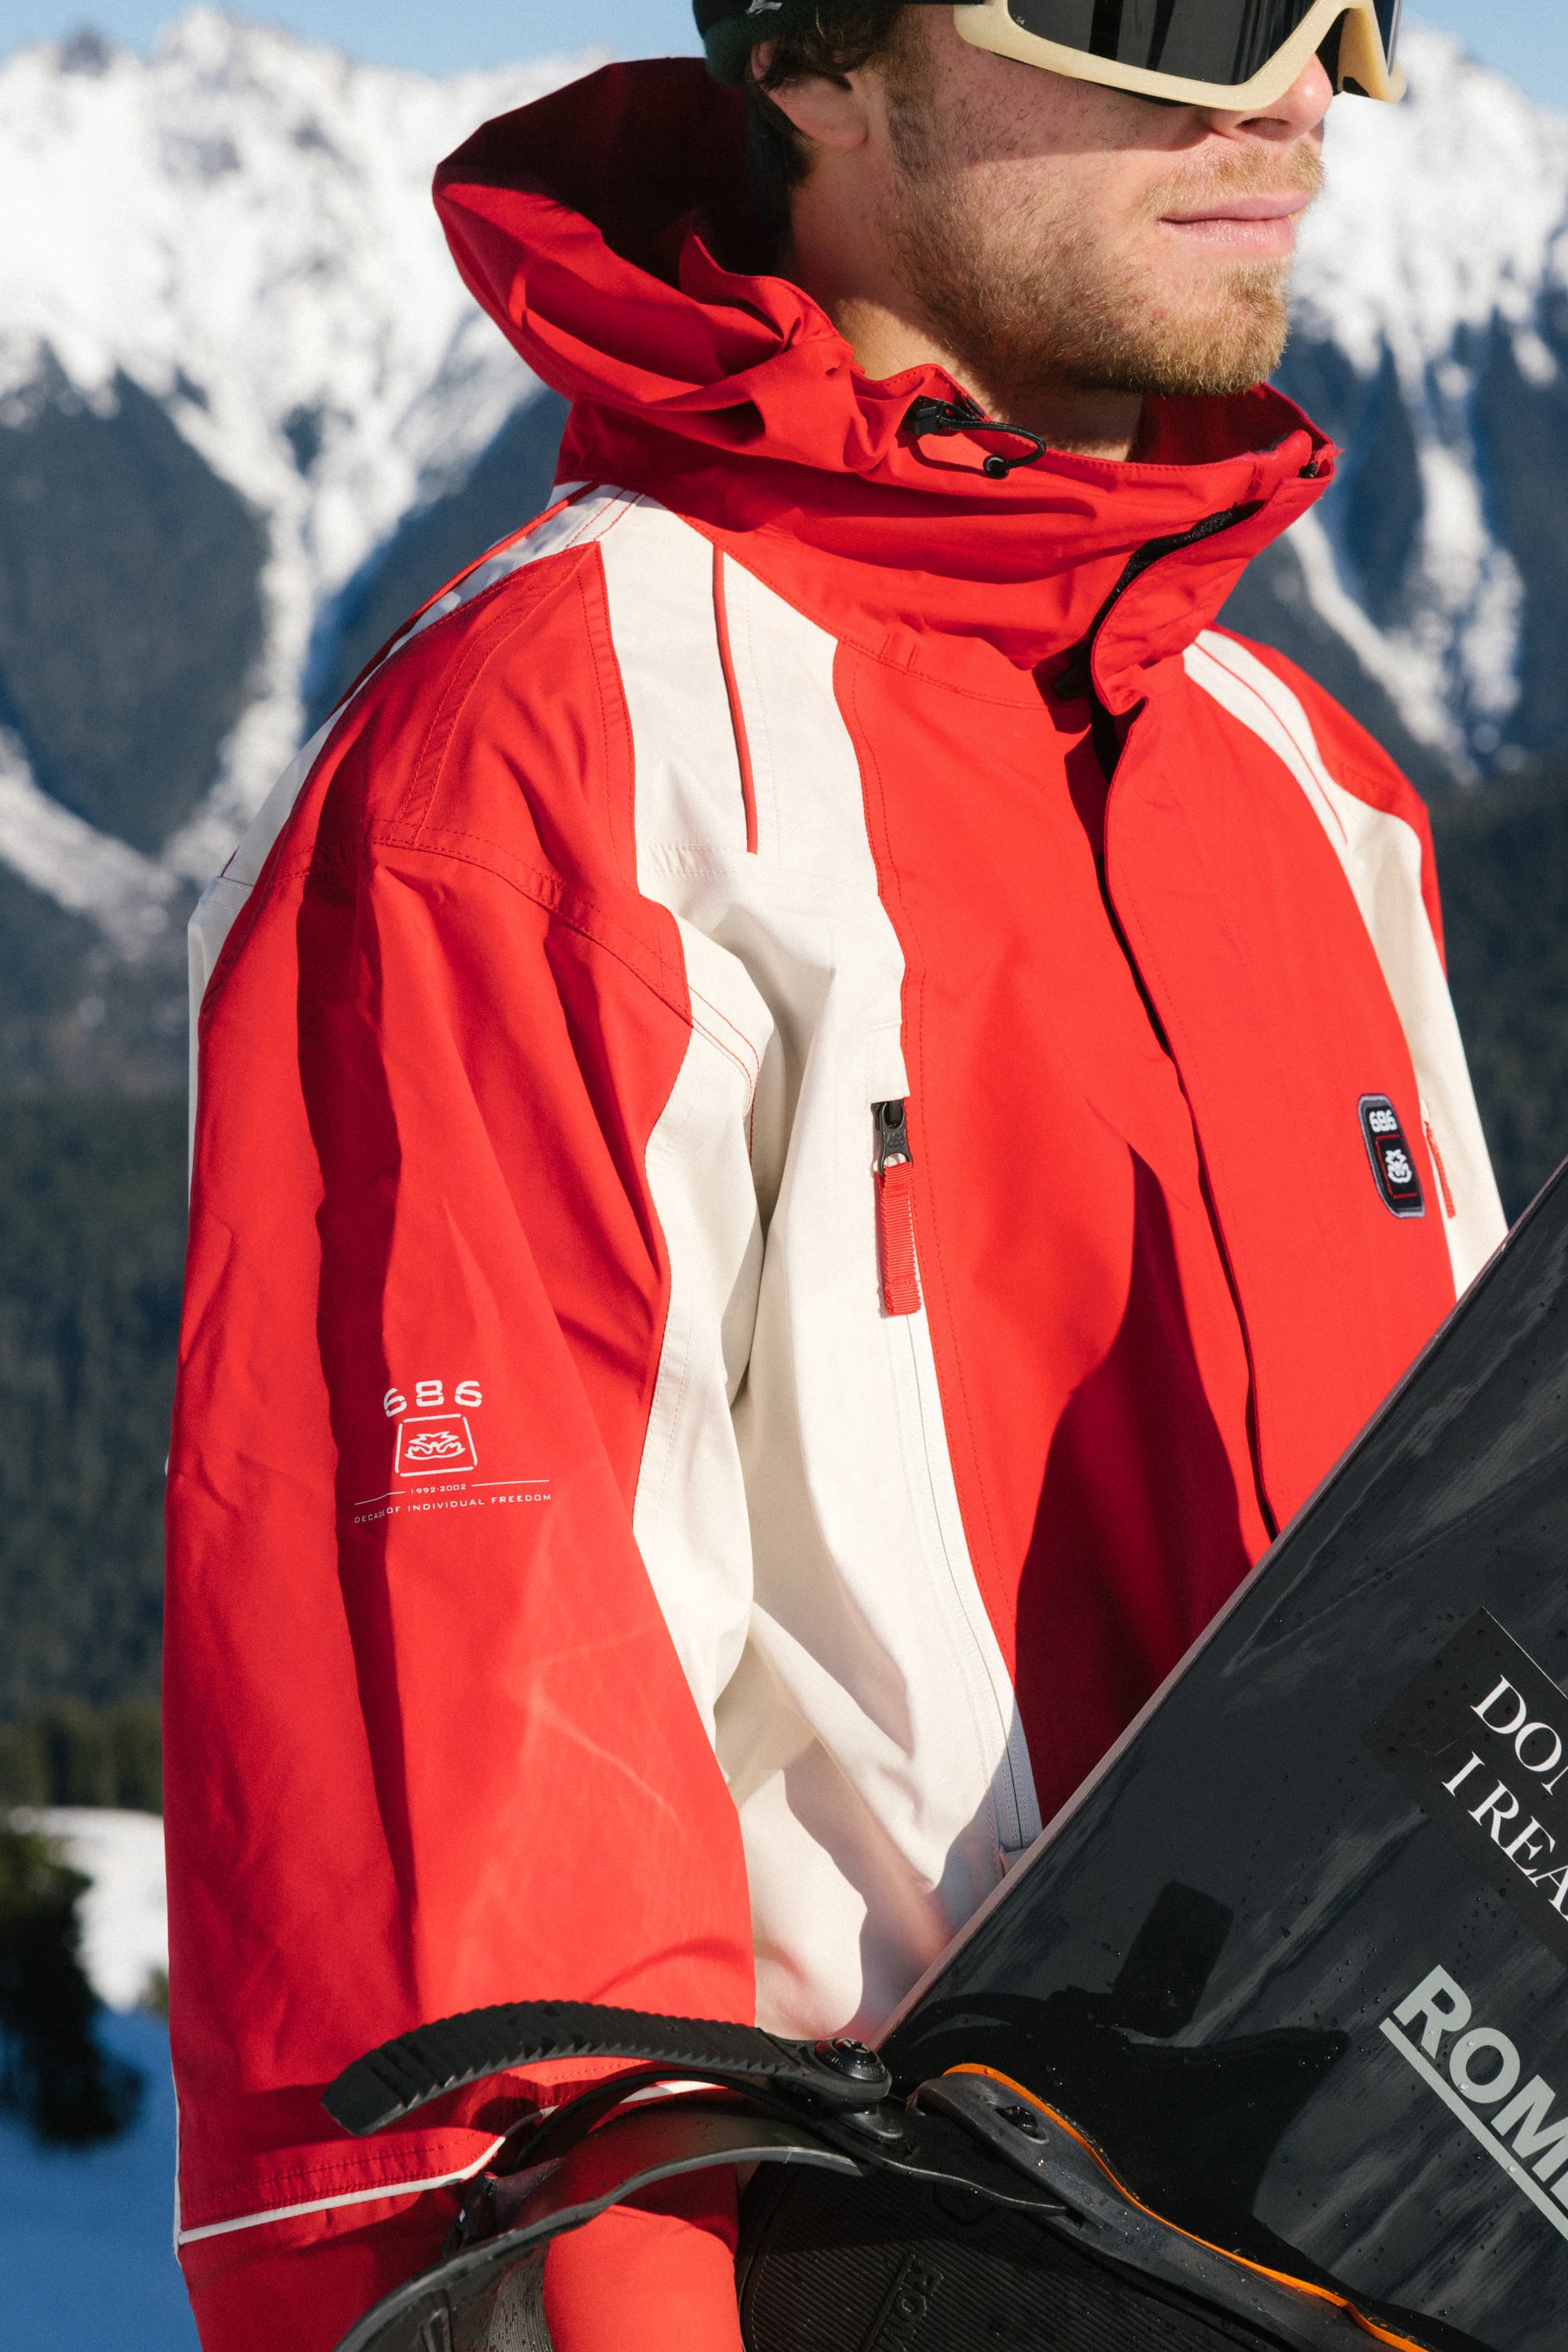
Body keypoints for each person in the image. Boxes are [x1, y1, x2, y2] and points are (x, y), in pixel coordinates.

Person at [163, 3, 1504, 2347]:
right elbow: (472, 1994)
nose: (1303, 87)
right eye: (1178, 7)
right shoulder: (548, 771)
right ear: (814, 53)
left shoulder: (1317, 804)